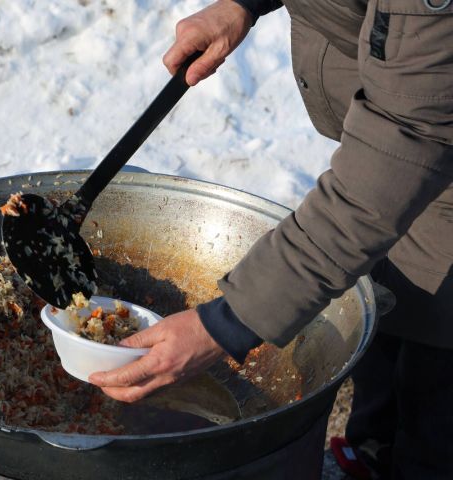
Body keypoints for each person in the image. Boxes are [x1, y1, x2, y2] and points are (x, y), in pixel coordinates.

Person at [88, 1, 453, 478]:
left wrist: (225, 323)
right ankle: (372, 455)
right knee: (388, 324)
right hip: (399, 127)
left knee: (438, 384)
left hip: (415, 142)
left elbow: (405, 141)